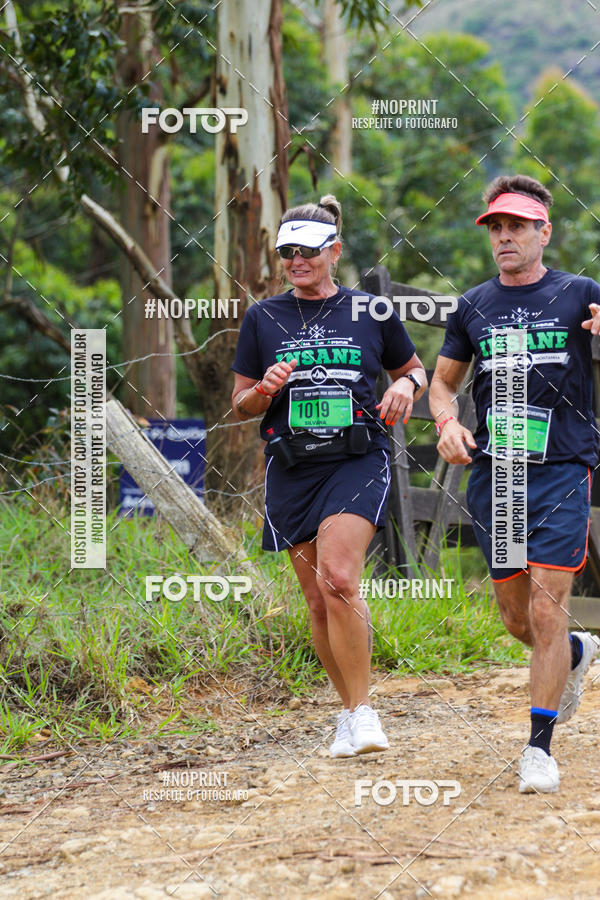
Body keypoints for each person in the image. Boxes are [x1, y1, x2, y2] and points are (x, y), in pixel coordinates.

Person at [231, 194, 426, 757]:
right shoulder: (263, 317)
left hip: (355, 459)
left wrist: (403, 387)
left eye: (308, 252)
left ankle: (365, 713)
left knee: (339, 579)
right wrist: (263, 390)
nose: (296, 261)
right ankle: (347, 711)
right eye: (288, 252)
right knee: (317, 600)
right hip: (292, 466)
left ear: (334, 251)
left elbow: (412, 370)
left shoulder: (371, 312)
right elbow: (239, 403)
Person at [430, 174, 600, 793]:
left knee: (547, 609)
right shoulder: (473, 305)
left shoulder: (582, 293)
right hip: (497, 476)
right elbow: (442, 382)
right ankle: (579, 655)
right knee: (517, 619)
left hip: (561, 469)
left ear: (543, 232)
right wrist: (446, 420)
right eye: (496, 228)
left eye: (517, 227)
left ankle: (539, 749)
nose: (504, 237)